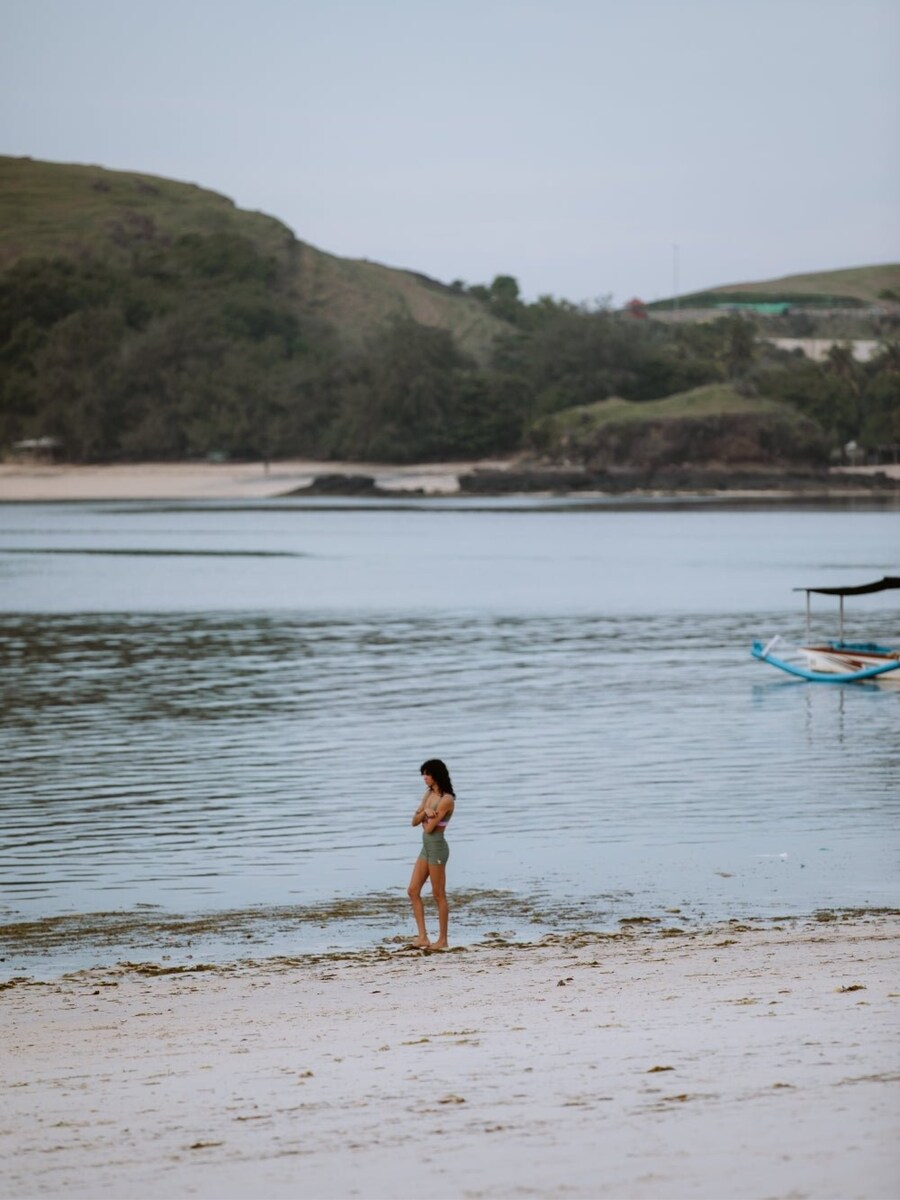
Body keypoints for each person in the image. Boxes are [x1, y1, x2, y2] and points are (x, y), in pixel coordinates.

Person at [408, 758, 455, 949]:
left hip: (437, 848)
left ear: (437, 775)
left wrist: (424, 816)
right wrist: (425, 812)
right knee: (413, 891)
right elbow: (414, 822)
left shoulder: (446, 800)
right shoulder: (428, 794)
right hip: (426, 848)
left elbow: (429, 829)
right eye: (423, 774)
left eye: (427, 774)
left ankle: (442, 940)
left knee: (438, 894)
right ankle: (423, 937)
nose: (424, 778)